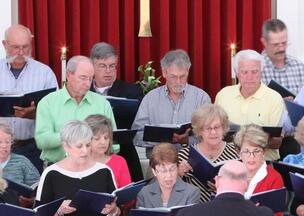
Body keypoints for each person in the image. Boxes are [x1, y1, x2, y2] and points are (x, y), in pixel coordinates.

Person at [35, 55, 119, 165]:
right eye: (83, 78)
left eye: (90, 78)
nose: (87, 84)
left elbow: (115, 144)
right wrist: (73, 136)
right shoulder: (48, 103)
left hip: (95, 167)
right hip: (57, 168)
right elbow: (42, 141)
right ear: (69, 75)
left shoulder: (102, 103)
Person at [0, 24, 58, 173]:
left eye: (25, 47)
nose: (21, 52)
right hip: (0, 146)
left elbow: (57, 113)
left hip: (31, 147)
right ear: (4, 44)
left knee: (29, 193)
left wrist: (36, 114)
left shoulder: (45, 73)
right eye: (15, 47)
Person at [132, 49, 211, 157]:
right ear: (164, 72)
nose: (178, 82)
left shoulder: (201, 98)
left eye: (182, 76)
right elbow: (136, 135)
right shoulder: (150, 99)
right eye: (173, 77)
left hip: (193, 165)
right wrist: (163, 139)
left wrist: (187, 140)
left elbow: (211, 134)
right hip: (159, 165)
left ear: (188, 71)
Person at [215, 49, 285, 161]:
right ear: (237, 73)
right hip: (226, 163)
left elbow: (276, 142)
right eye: (244, 72)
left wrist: (241, 139)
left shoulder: (274, 98)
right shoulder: (223, 95)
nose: (249, 77)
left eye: (254, 71)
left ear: (261, 72)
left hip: (262, 164)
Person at [90, 42, 144, 182]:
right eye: (103, 66)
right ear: (92, 67)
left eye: (112, 66)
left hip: (124, 154)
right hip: (89, 157)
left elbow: (139, 123)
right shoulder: (84, 92)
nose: (108, 71)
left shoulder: (131, 92)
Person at [178, 104, 238, 202]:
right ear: (199, 130)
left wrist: (224, 189)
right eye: (208, 128)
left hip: (227, 208)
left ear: (224, 128)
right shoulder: (185, 154)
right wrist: (178, 175)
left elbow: (247, 185)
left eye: (217, 127)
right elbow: (172, 191)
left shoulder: (236, 152)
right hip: (195, 210)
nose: (213, 132)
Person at [261, 18, 304, 96]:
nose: (281, 48)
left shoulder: (299, 66)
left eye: (284, 43)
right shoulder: (256, 69)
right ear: (264, 42)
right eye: (275, 44)